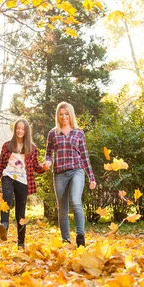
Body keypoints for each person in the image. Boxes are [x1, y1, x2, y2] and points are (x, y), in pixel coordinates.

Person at [44, 101, 96, 247]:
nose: (64, 116)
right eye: (61, 114)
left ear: (71, 115)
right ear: (57, 116)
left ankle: (80, 237)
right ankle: (66, 240)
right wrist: (47, 162)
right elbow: (48, 154)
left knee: (76, 200)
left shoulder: (79, 133)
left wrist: (91, 177)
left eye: (66, 114)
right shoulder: (52, 133)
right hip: (59, 173)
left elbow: (85, 157)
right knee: (62, 208)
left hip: (76, 171)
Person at [0, 118, 45, 249]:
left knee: (20, 214)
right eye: (18, 128)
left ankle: (21, 243)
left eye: (23, 128)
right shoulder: (7, 146)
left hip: (23, 181)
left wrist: (43, 168)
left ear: (26, 131)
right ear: (15, 129)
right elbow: (0, 164)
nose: (20, 130)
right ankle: (4, 226)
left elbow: (35, 167)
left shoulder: (32, 148)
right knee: (7, 199)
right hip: (8, 176)